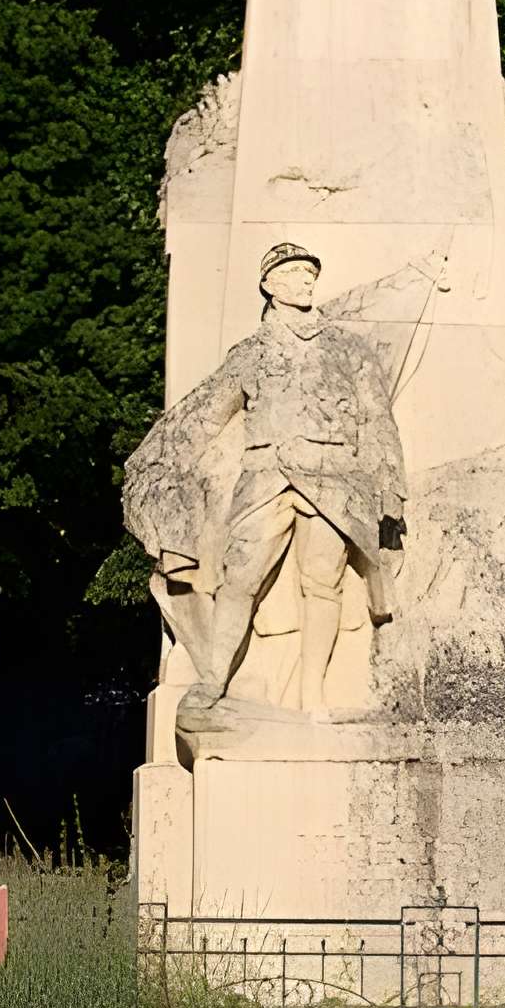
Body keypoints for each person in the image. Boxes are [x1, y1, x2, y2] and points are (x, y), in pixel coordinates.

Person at [123, 243, 408, 711]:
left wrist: (390, 482)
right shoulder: (250, 353)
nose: (307, 280)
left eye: (310, 273)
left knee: (323, 582)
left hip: (335, 477)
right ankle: (215, 678)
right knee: (240, 579)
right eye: (295, 273)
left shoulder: (346, 349)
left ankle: (311, 693)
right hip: (267, 477)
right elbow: (205, 417)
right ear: (269, 285)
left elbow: (377, 419)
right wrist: (162, 460)